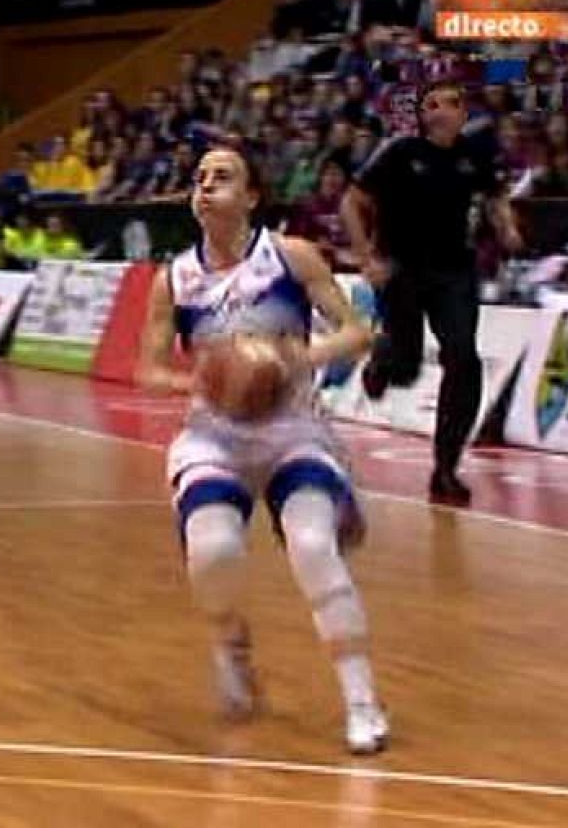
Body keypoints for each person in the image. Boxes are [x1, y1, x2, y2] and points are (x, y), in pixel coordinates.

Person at [136, 146, 389, 755]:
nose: (205, 186)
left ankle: (361, 700)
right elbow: (146, 368)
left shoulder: (291, 256)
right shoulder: (173, 278)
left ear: (251, 197)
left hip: (292, 428)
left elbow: (358, 330)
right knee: (215, 552)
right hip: (214, 434)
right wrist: (198, 379)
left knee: (311, 548)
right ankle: (231, 643)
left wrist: (301, 357)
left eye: (222, 177)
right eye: (198, 178)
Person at [342, 80, 524, 506]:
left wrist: (507, 227)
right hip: (402, 267)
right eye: (432, 104)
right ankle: (383, 363)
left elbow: (495, 197)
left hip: (455, 271)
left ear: (463, 113)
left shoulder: (474, 155)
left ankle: (446, 468)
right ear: (422, 115)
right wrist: (366, 256)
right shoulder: (400, 152)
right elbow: (352, 202)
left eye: (451, 103)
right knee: (405, 364)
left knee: (463, 357)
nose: (441, 111)